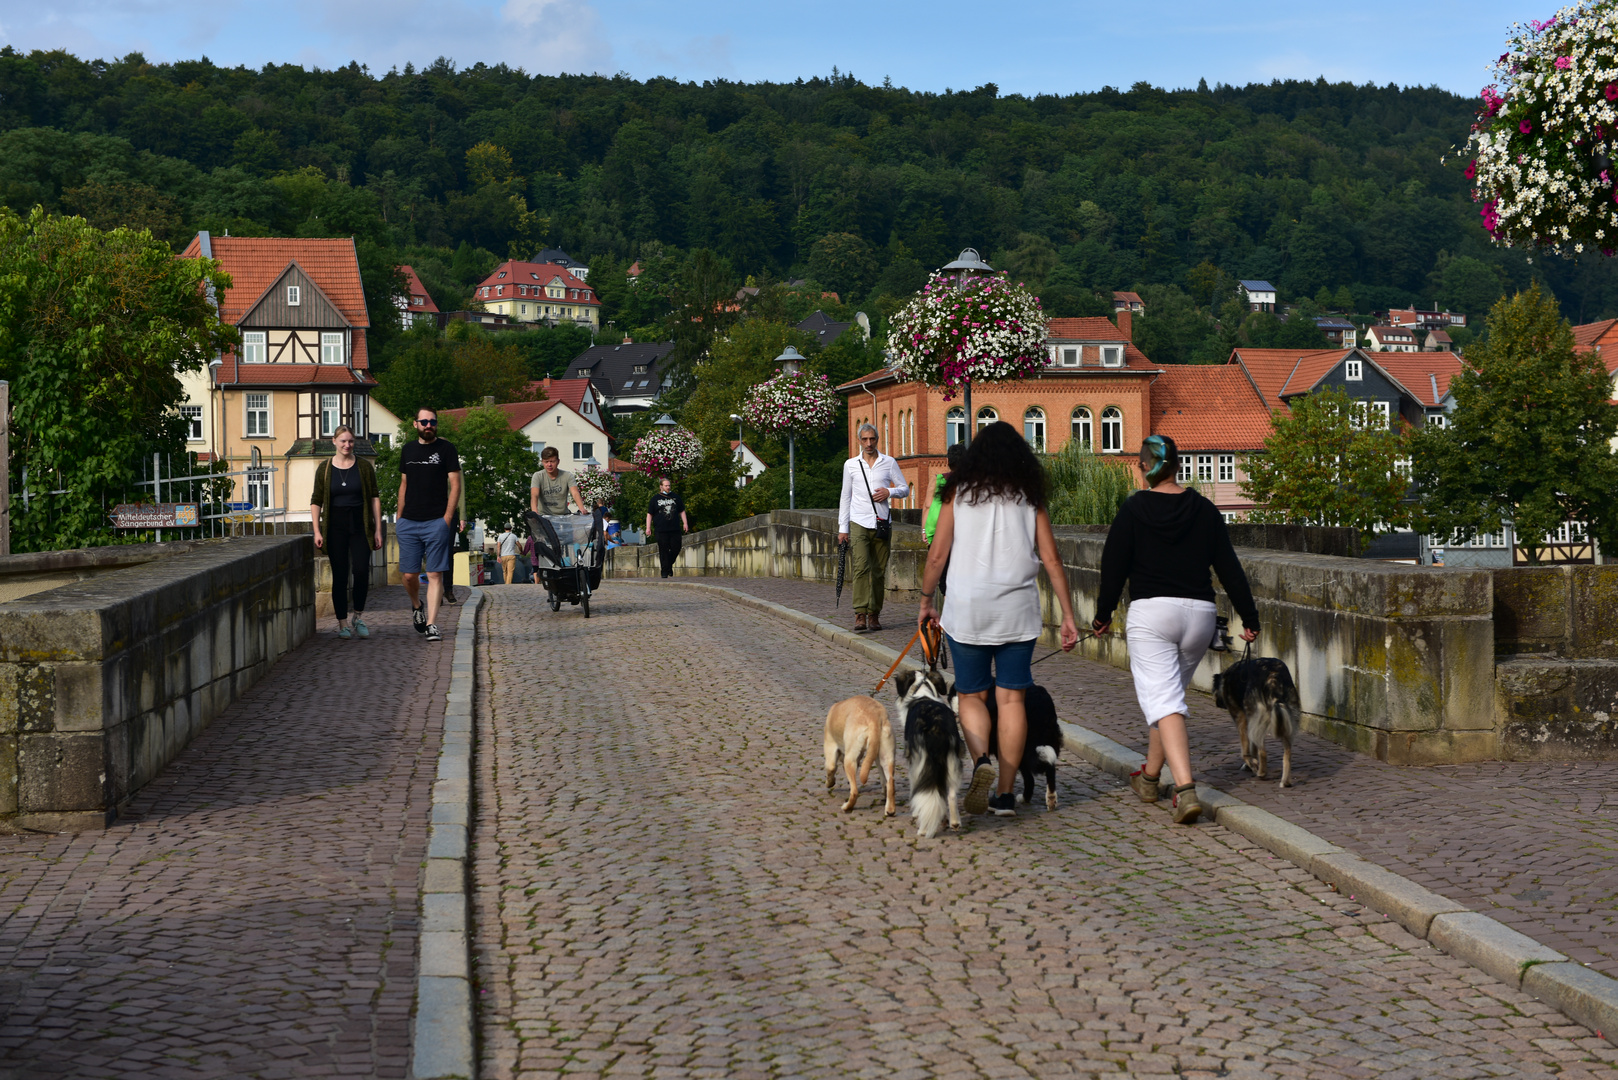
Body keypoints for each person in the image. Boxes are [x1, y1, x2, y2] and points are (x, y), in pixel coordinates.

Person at [1093, 434, 1261, 825]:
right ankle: (1149, 778)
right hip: (1199, 616)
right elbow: (1229, 568)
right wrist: (1250, 618)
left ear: (1147, 466)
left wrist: (1103, 615)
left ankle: (1185, 790)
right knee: (1166, 695)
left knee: (1165, 701)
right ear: (1178, 465)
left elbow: (1113, 566)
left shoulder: (1133, 509)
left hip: (1153, 614)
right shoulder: (1204, 509)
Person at [917, 421, 1080, 817]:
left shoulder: (958, 493)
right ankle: (1006, 793)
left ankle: (981, 763)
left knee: (971, 694)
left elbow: (938, 555)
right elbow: (1052, 559)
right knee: (1012, 699)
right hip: (1017, 609)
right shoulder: (1029, 496)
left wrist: (925, 600)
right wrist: (1068, 616)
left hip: (968, 606)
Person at [310, 426, 382, 640]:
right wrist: (316, 530)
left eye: (350, 441)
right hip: (335, 526)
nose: (347, 445)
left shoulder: (364, 467)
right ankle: (342, 623)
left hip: (360, 525)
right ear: (334, 441)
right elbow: (316, 500)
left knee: (361, 571)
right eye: (342, 441)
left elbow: (374, 497)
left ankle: (358, 616)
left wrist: (378, 528)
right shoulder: (324, 469)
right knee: (340, 575)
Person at [397, 407, 462, 643]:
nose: (428, 425)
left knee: (435, 574)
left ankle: (432, 624)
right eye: (424, 421)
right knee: (408, 575)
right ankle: (417, 605)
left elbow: (455, 485)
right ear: (415, 424)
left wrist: (447, 518)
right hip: (409, 521)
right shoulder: (408, 450)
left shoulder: (446, 449)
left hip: (436, 521)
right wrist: (399, 516)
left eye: (432, 421)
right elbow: (404, 484)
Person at [837, 423, 909, 633]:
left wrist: (889, 492)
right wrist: (843, 528)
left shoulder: (889, 462)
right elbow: (845, 496)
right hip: (858, 521)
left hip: (882, 522)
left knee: (878, 571)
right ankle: (860, 613)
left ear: (878, 439)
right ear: (859, 441)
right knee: (860, 567)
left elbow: (904, 489)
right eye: (865, 439)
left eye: (872, 439)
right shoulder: (851, 464)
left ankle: (874, 613)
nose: (869, 443)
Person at [646, 476, 688, 578]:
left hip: (675, 528)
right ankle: (664, 571)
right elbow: (649, 514)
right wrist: (648, 527)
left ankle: (668, 565)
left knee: (676, 548)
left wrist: (685, 523)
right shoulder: (655, 499)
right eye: (666, 485)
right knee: (663, 550)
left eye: (669, 485)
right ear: (661, 486)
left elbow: (682, 511)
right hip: (661, 529)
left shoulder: (676, 497)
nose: (668, 487)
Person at [530, 446, 586, 517]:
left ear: (558, 461)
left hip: (563, 516)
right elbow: (534, 495)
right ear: (542, 462)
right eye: (546, 462)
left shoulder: (567, 476)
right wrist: (535, 512)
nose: (549, 464)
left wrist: (582, 508)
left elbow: (575, 493)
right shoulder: (538, 476)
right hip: (544, 516)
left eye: (552, 461)